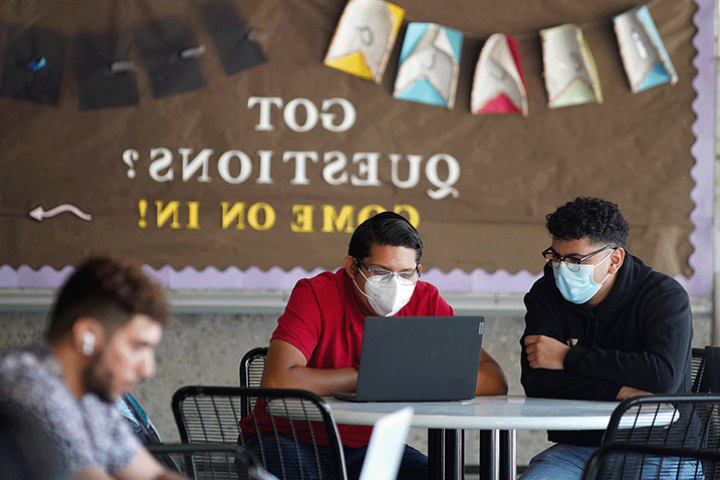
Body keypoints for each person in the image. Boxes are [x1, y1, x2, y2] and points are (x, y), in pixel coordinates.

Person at [248, 211, 508, 480]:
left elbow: (494, 378)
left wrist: (412, 378)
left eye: (406, 273)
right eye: (381, 272)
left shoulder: (425, 300)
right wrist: (368, 376)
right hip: (287, 439)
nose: (395, 285)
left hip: (371, 447)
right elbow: (277, 382)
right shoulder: (315, 294)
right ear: (351, 267)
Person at [519, 197, 694, 480]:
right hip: (580, 448)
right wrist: (622, 393)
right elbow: (537, 381)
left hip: (661, 448)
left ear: (614, 259)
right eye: (555, 257)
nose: (562, 268)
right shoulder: (545, 293)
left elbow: (661, 378)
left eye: (576, 260)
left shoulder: (663, 296)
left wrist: (566, 357)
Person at [0, 256, 188, 480]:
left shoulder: (92, 397)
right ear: (86, 336)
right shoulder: (24, 385)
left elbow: (153, 474)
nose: (148, 370)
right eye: (138, 347)